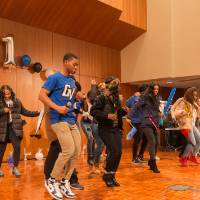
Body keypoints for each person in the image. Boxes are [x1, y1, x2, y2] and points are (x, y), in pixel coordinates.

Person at [39, 53, 81, 200]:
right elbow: (41, 96)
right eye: (74, 64)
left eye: (77, 65)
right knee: (68, 150)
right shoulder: (55, 77)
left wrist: (79, 98)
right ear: (65, 62)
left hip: (71, 119)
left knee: (77, 152)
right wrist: (57, 108)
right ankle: (51, 180)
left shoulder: (72, 82)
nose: (76, 67)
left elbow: (69, 98)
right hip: (58, 119)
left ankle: (65, 182)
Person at [91, 76, 125, 187]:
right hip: (105, 129)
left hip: (116, 130)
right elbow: (93, 111)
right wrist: (107, 115)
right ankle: (107, 175)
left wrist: (124, 112)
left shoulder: (117, 98)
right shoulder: (101, 97)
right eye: (115, 84)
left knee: (118, 153)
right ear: (108, 85)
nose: (117, 87)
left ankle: (112, 175)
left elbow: (118, 114)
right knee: (114, 151)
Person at [0, 85, 39, 177]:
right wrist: (2, 110)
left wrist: (36, 113)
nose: (7, 96)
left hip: (15, 129)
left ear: (11, 92)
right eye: (5, 94)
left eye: (8, 93)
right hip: (3, 129)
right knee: (1, 150)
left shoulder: (17, 101)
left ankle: (15, 168)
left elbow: (25, 112)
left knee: (17, 147)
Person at [133, 83, 161, 173]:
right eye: (155, 89)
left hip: (155, 123)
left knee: (157, 143)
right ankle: (153, 163)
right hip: (146, 122)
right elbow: (135, 106)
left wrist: (161, 112)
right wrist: (129, 117)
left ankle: (151, 161)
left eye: (157, 89)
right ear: (151, 89)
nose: (156, 90)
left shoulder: (157, 98)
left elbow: (156, 110)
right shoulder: (145, 97)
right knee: (152, 141)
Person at [171, 87, 200, 166]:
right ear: (189, 94)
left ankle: (193, 156)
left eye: (196, 95)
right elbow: (173, 109)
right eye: (193, 95)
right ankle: (184, 158)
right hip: (185, 125)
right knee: (192, 142)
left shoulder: (193, 103)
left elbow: (196, 112)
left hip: (192, 124)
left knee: (199, 140)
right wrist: (175, 115)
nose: (195, 97)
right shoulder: (181, 100)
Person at [126, 84, 148, 164]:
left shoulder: (145, 99)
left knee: (146, 139)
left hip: (143, 122)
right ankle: (134, 158)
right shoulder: (134, 98)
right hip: (135, 122)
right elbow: (127, 104)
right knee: (137, 139)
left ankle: (140, 156)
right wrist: (129, 115)